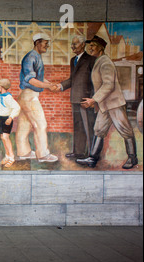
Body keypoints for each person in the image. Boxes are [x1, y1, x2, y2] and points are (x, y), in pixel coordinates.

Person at [76, 36, 138, 169]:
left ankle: (132, 158)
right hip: (105, 104)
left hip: (114, 104)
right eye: (90, 45)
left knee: (125, 130)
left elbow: (109, 85)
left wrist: (94, 99)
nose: (90, 48)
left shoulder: (105, 62)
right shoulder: (100, 61)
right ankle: (92, 159)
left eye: (93, 45)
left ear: (101, 48)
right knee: (99, 130)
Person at [16, 33, 58, 163]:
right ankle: (43, 154)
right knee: (40, 124)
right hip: (30, 96)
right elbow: (31, 80)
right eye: (45, 43)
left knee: (24, 125)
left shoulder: (35, 56)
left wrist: (49, 84)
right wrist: (47, 86)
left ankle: (24, 152)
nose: (47, 46)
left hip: (25, 95)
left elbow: (37, 78)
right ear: (38, 43)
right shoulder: (31, 57)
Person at [54, 34, 97, 159]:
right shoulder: (73, 60)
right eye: (72, 44)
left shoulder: (91, 60)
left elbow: (95, 81)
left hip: (86, 99)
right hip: (75, 98)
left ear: (83, 44)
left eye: (75, 44)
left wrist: (93, 99)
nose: (72, 46)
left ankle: (91, 154)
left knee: (89, 127)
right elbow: (73, 79)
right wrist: (60, 86)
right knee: (78, 126)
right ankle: (78, 152)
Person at [0, 79, 21, 168]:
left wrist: (11, 117)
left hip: (7, 119)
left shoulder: (8, 98)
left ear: (2, 87)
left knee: (5, 137)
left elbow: (17, 108)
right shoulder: (1, 97)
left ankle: (11, 157)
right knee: (2, 137)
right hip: (1, 119)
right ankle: (7, 155)